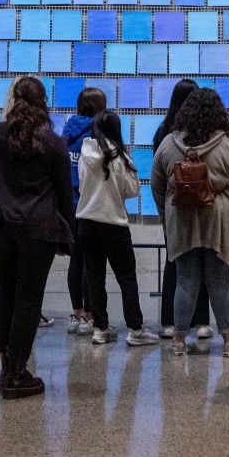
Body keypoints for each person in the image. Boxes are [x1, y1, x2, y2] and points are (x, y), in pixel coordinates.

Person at [0, 75, 75, 400]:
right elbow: (65, 196)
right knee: (28, 299)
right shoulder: (53, 142)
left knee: (7, 294)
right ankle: (17, 374)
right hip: (39, 228)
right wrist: (68, 236)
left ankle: (8, 369)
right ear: (43, 103)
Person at [149, 87, 229, 359]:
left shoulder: (170, 142)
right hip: (221, 218)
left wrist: (166, 214)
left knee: (185, 280)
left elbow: (157, 184)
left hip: (181, 218)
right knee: (219, 281)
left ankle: (179, 341)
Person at [77, 109, 156, 346]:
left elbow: (82, 185)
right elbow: (132, 190)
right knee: (127, 278)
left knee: (94, 277)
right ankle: (135, 329)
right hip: (114, 224)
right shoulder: (121, 157)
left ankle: (100, 329)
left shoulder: (85, 153)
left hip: (86, 222)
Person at [59, 86, 108, 336]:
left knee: (75, 261)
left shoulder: (67, 131)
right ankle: (89, 315)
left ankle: (76, 313)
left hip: (69, 204)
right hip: (91, 204)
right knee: (92, 261)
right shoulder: (99, 132)